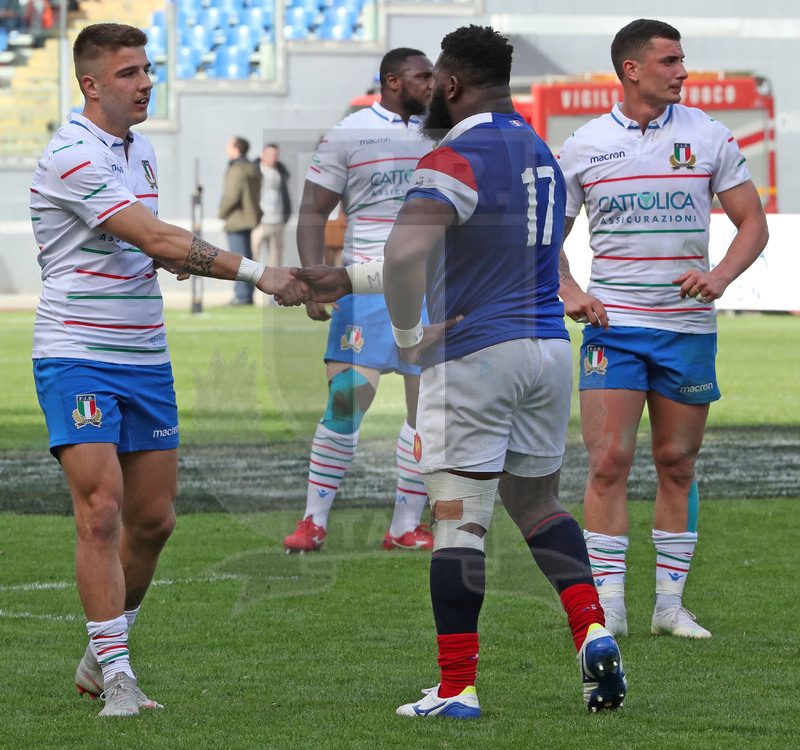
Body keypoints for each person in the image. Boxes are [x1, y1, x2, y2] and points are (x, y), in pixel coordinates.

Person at [294, 24, 626, 717]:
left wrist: (411, 339)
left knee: (459, 520)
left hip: (474, 353)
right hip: (546, 351)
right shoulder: (537, 148)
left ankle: (455, 688)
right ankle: (592, 629)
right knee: (538, 505)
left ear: (450, 84)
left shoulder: (452, 157)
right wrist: (342, 279)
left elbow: (408, 255)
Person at [29, 23, 305, 718]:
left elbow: (156, 249)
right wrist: (260, 273)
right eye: (128, 73)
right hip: (78, 355)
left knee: (153, 522)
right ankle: (120, 680)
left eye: (147, 69)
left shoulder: (141, 151)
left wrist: (260, 273)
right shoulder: (69, 154)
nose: (146, 81)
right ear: (91, 84)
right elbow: (153, 236)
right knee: (101, 512)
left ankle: (100, 654)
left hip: (145, 357)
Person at [556, 18, 769, 639]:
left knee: (677, 462)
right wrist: (570, 289)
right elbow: (547, 238)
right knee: (608, 462)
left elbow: (752, 224)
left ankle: (670, 608)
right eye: (671, 61)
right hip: (613, 328)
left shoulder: (709, 135)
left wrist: (722, 275)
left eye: (682, 60)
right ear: (632, 69)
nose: (683, 70)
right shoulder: (585, 145)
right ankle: (610, 608)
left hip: (687, 330)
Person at [282, 48, 436, 554]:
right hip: (362, 286)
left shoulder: (446, 132)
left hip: (432, 289)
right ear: (393, 81)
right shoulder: (350, 132)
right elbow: (312, 209)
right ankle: (313, 520)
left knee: (426, 411)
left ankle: (405, 525)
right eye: (422, 76)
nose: (432, 83)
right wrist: (310, 279)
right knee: (348, 401)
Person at [220, 136, 263, 306]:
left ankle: (241, 296)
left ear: (236, 149)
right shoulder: (253, 168)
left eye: (229, 145)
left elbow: (231, 196)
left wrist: (222, 212)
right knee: (247, 258)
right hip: (250, 217)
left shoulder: (236, 169)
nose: (226, 148)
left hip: (236, 218)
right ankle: (247, 294)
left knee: (238, 259)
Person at [251, 143, 292, 277]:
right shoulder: (255, 171)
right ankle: (247, 293)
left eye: (275, 155)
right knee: (251, 259)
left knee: (276, 261)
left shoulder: (281, 172)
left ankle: (273, 296)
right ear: (262, 155)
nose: (273, 158)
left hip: (277, 221)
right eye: (270, 154)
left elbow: (285, 195)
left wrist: (286, 215)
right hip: (259, 222)